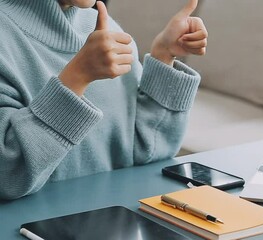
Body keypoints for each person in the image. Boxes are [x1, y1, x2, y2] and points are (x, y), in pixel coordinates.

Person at [0, 0, 208, 200]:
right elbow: (7, 178)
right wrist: (77, 77)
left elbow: (146, 152)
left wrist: (165, 54)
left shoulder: (109, 30)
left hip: (114, 224)